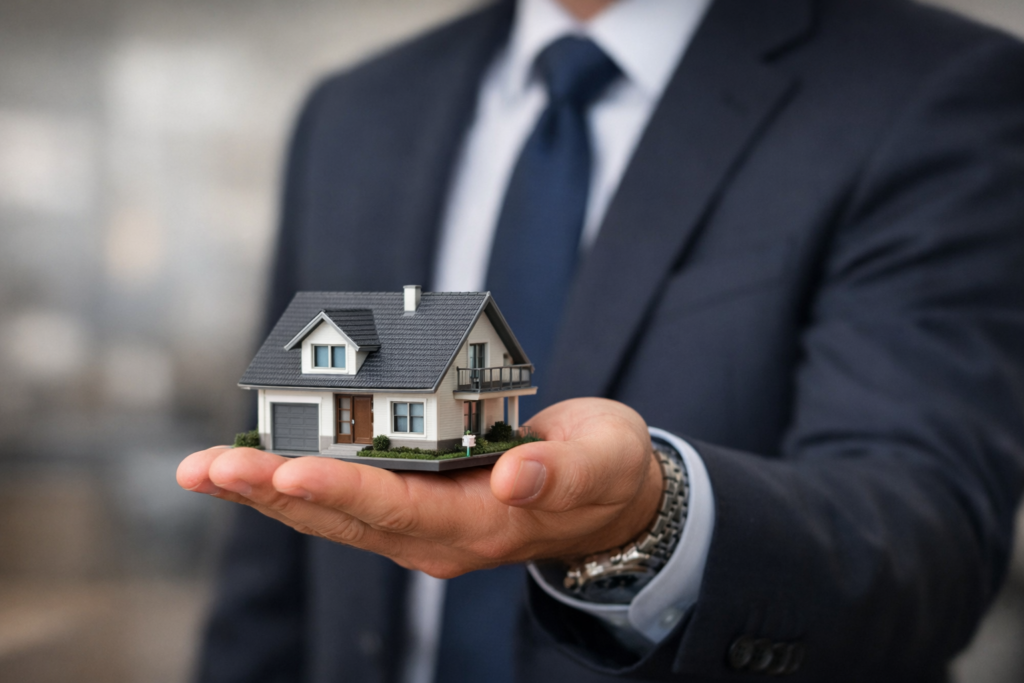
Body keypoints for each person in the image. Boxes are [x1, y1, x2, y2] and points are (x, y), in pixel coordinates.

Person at [177, 0, 1024, 680]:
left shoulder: (932, 88)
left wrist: (654, 515)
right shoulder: (355, 112)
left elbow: (928, 542)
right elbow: (277, 545)